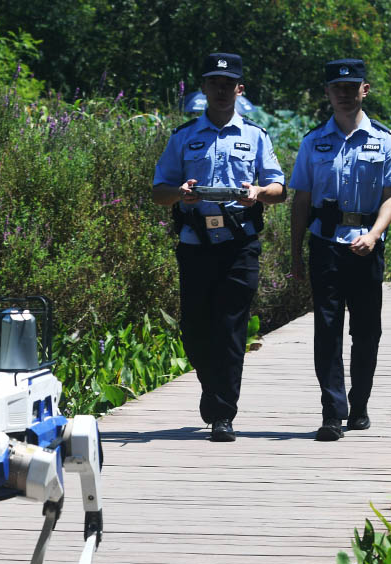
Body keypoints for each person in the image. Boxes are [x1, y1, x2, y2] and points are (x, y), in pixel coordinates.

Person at [152, 52, 286, 442]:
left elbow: (279, 188)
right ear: (205, 88)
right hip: (195, 243)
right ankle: (213, 391)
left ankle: (222, 414)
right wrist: (179, 194)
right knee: (195, 328)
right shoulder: (183, 137)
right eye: (214, 83)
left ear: (239, 89)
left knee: (230, 327)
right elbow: (159, 191)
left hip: (239, 243)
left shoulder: (256, 136)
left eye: (229, 84)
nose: (222, 89)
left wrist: (258, 193)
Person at [288, 58, 391, 441]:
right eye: (336, 87)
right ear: (327, 92)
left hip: (367, 247)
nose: (343, 93)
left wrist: (373, 235)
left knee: (367, 331)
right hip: (325, 245)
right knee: (327, 329)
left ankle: (359, 404)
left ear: (364, 90)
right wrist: (295, 254)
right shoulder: (313, 142)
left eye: (350, 87)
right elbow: (301, 202)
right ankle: (332, 412)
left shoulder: (385, 141)